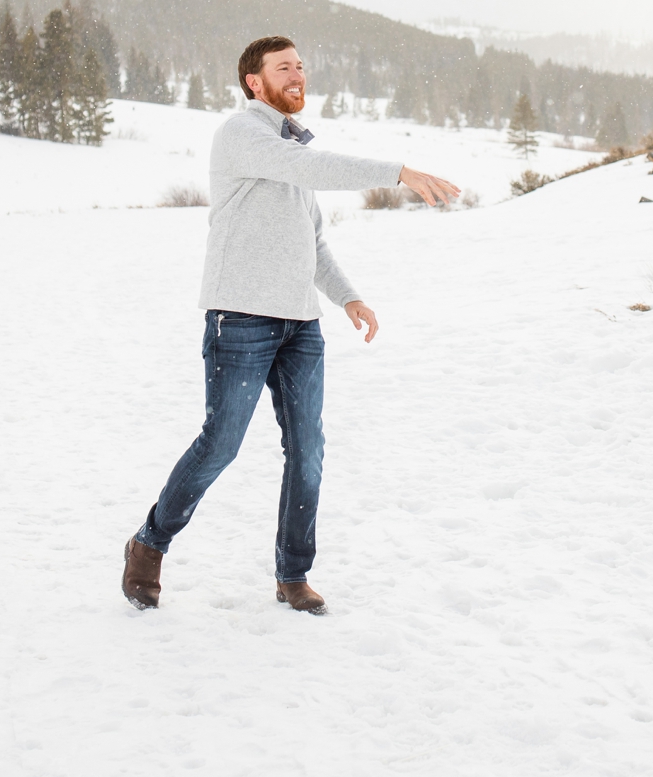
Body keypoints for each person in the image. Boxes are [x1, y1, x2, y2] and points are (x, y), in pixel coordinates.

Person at [122, 36, 459, 614]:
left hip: (301, 325)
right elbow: (308, 166)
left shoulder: (289, 148)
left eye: (301, 66)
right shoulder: (242, 135)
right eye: (284, 67)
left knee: (308, 450)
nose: (298, 74)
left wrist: (349, 298)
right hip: (242, 318)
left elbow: (313, 240)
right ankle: (149, 544)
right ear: (255, 81)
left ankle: (292, 574)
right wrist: (397, 170)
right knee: (220, 444)